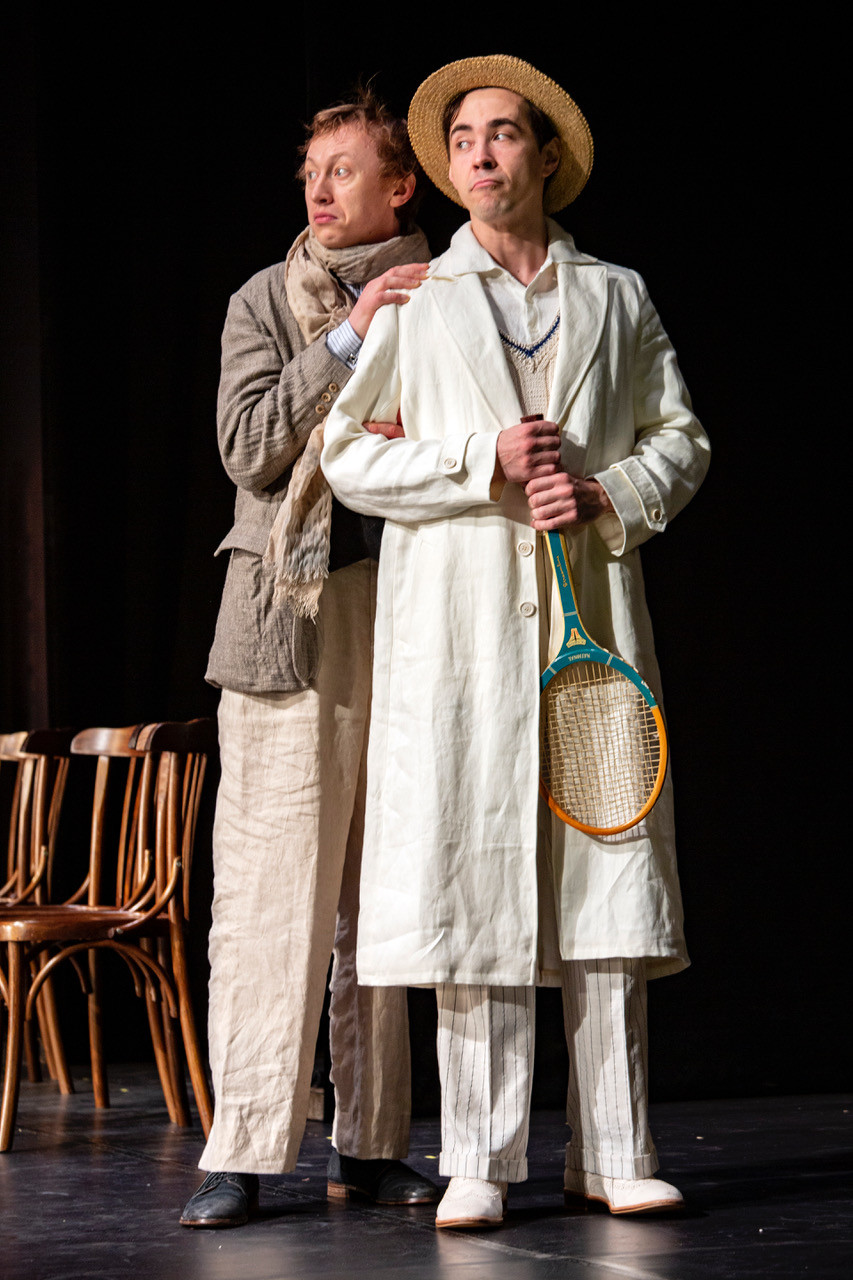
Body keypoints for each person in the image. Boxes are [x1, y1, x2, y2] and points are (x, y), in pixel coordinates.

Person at [322, 56, 710, 1230]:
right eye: (463, 139)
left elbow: (681, 438)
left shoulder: (617, 295)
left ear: (543, 155)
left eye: (500, 133)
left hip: (591, 620)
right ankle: (479, 1159)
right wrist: (474, 462)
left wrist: (605, 493)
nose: (480, 153)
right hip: (461, 633)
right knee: (475, 873)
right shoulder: (417, 298)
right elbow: (346, 451)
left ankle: (614, 1149)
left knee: (603, 867)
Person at [180, 89, 438, 1228]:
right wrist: (348, 338)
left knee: (382, 892)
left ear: (400, 187)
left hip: (409, 613)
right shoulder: (264, 299)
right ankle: (242, 1148)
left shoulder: (450, 291)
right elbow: (248, 448)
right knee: (269, 889)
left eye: (344, 169)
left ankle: (373, 1142)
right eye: (311, 172)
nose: (320, 190)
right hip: (286, 619)